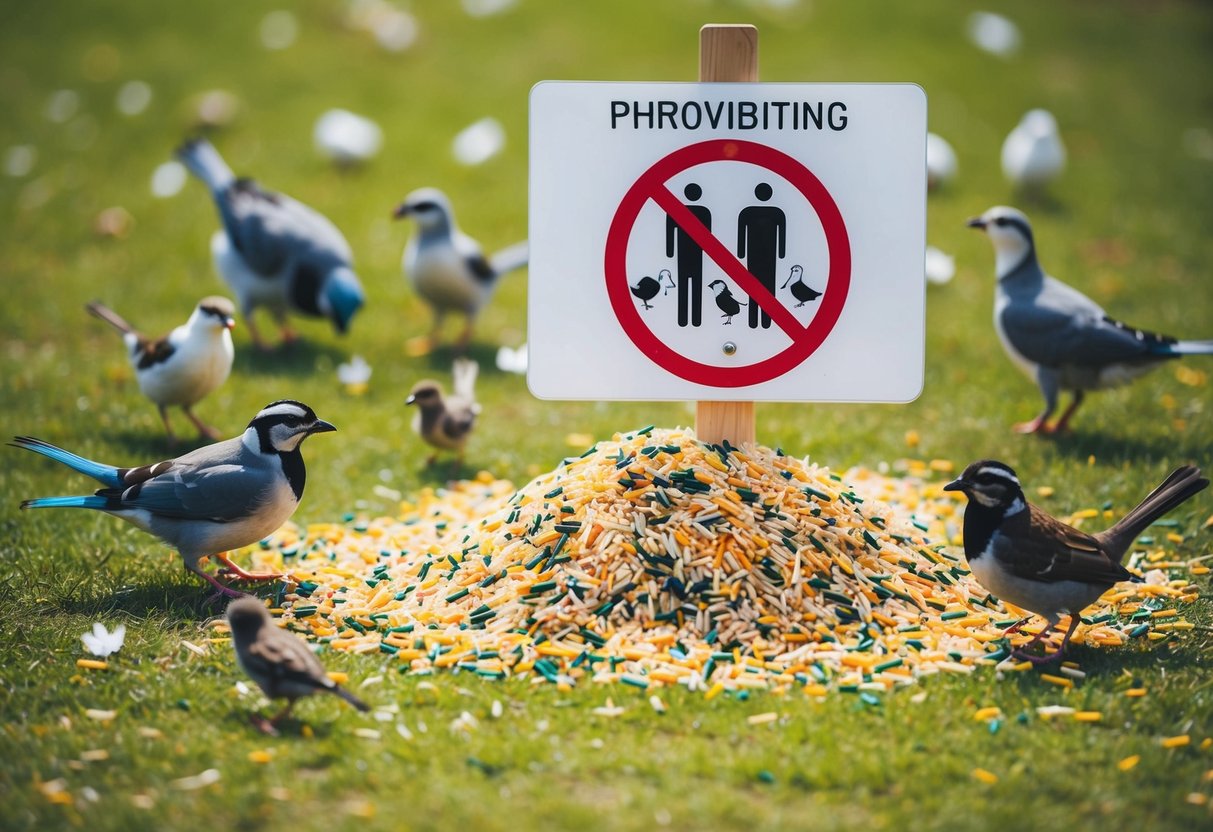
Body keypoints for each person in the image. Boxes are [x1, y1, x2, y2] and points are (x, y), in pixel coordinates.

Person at [736, 183, 786, 329]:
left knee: (755, 289)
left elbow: (741, 235)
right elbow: (781, 236)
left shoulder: (747, 212)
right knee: (766, 289)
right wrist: (781, 253)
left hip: (755, 257)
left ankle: (756, 322)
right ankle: (765, 322)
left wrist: (741, 253)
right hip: (769, 258)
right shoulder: (777, 213)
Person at [666, 183, 711, 327]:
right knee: (696, 286)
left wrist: (670, 251)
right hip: (696, 254)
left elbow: (670, 234)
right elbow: (709, 238)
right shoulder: (705, 212)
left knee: (683, 287)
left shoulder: (675, 210)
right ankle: (696, 320)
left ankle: (683, 320)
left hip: (684, 254)